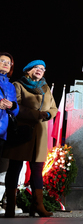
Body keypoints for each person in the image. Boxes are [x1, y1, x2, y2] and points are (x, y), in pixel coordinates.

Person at [2, 60, 58, 217]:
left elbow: (53, 107)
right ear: (28, 70)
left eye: (43, 69)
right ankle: (10, 207)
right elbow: (16, 105)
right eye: (37, 68)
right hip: (22, 131)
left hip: (40, 134)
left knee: (37, 170)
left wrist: (48, 114)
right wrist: (36, 115)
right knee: (14, 168)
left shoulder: (46, 88)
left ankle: (37, 205)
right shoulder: (18, 85)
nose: (40, 70)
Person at [0, 52, 19, 213]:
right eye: (2, 61)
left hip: (5, 132)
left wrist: (11, 106)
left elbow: (16, 109)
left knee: (3, 169)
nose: (6, 64)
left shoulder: (11, 86)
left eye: (9, 62)